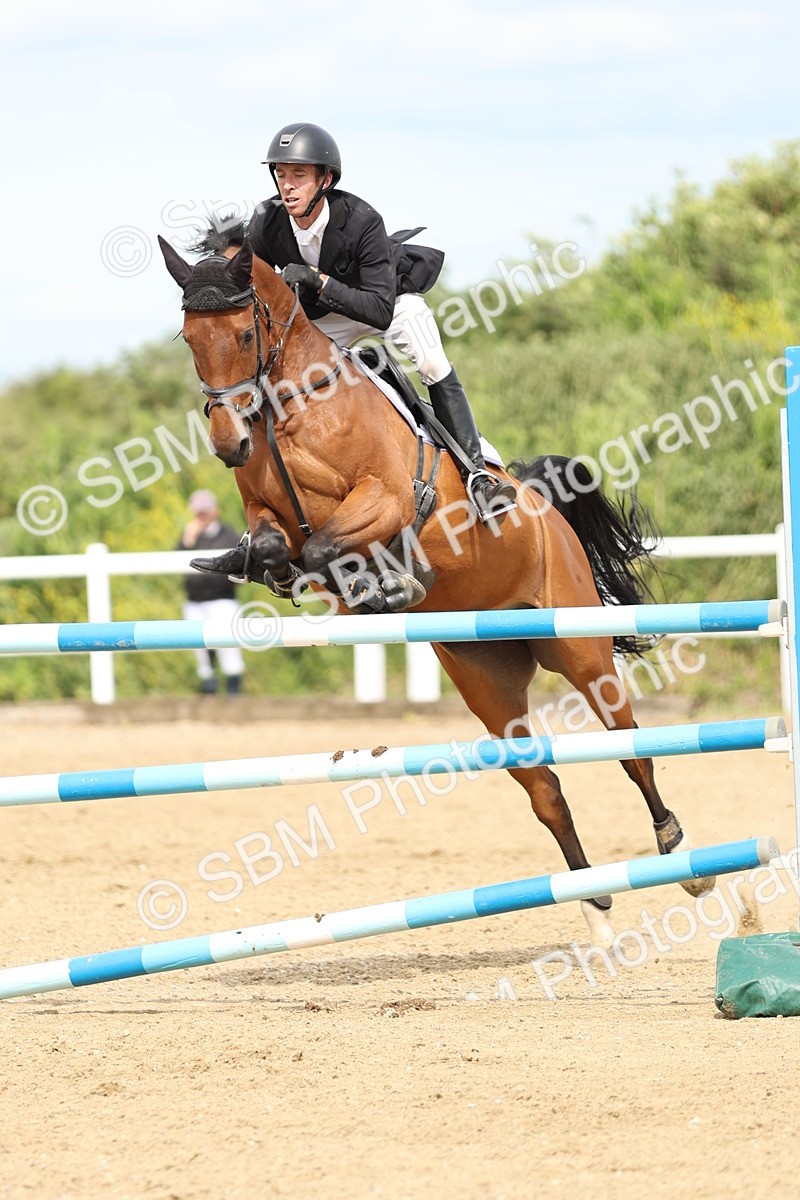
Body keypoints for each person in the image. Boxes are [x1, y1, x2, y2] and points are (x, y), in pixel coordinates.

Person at [248, 121, 517, 524]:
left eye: (299, 175)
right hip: (326, 316)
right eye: (281, 174)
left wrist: (318, 280)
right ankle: (263, 508)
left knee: (430, 361)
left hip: (386, 302)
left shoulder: (361, 219)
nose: (287, 186)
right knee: (272, 370)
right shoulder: (267, 221)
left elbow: (378, 310)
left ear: (326, 179)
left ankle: (477, 472)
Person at [177, 490, 245, 694]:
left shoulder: (229, 534)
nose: (201, 517)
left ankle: (233, 693)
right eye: (198, 513)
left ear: (215, 511)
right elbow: (175, 562)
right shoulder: (189, 535)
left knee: (228, 647)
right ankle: (209, 690)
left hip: (222, 600)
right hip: (194, 601)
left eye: (204, 512)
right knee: (200, 651)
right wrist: (186, 542)